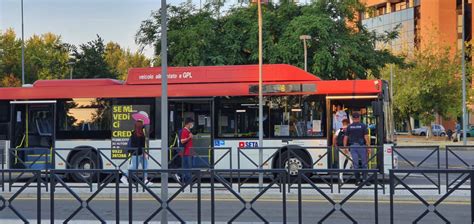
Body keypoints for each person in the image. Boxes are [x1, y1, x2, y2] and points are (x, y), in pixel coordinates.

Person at [121, 120, 152, 186]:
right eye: (142, 125)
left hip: (140, 153)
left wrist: (144, 152)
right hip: (136, 154)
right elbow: (138, 146)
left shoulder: (138, 133)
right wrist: (144, 153)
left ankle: (145, 180)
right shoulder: (137, 135)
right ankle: (124, 177)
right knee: (133, 167)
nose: (143, 126)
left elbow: (141, 145)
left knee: (145, 165)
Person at [343, 112, 370, 186]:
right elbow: (366, 137)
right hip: (362, 147)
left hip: (353, 147)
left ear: (352, 118)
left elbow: (345, 138)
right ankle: (364, 180)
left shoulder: (349, 127)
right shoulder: (363, 126)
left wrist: (345, 147)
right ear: (359, 118)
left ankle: (357, 181)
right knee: (364, 164)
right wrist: (368, 147)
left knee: (355, 164)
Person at [180, 117, 195, 184]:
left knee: (189, 167)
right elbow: (182, 141)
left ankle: (186, 180)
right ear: (188, 124)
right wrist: (189, 137)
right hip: (186, 152)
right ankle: (188, 181)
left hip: (190, 152)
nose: (192, 125)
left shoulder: (188, 131)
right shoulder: (184, 131)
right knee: (187, 167)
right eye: (191, 123)